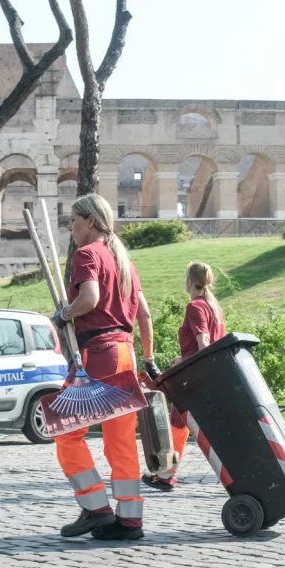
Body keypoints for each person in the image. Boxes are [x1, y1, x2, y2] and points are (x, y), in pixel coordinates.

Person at [51, 193, 159, 541]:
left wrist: (64, 313)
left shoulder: (88, 254)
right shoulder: (123, 260)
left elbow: (90, 299)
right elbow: (144, 314)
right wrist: (148, 357)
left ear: (91, 221)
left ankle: (96, 507)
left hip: (99, 352)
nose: (71, 227)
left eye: (73, 220)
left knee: (66, 432)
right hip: (124, 352)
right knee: (120, 440)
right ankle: (129, 520)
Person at [142, 261, 226, 492]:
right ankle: (167, 473)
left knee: (178, 425)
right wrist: (182, 359)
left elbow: (204, 344)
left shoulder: (196, 307)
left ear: (190, 281)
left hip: (193, 378)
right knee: (182, 424)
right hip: (209, 375)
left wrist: (187, 362)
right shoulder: (214, 306)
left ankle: (167, 475)